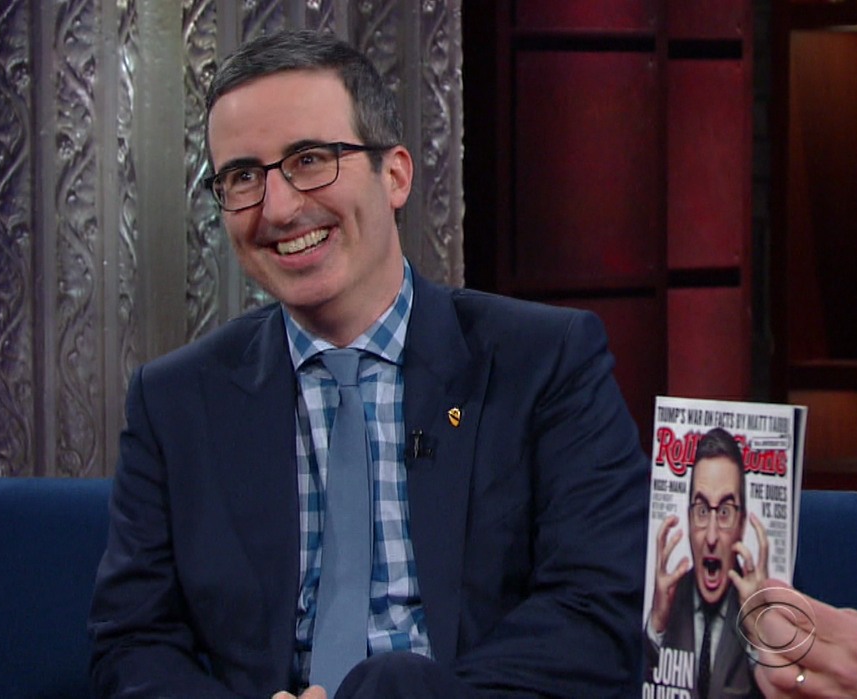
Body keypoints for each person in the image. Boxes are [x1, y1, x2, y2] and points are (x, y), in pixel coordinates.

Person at [88, 29, 649, 698]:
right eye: (243, 176)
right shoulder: (175, 400)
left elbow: (595, 609)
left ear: (396, 175)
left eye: (309, 159)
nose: (279, 207)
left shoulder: (545, 361)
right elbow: (132, 642)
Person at [646, 427, 768, 698]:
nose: (711, 536)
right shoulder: (668, 603)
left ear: (742, 524)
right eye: (701, 510)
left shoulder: (756, 609)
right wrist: (656, 623)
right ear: (688, 520)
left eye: (725, 512)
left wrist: (759, 631)